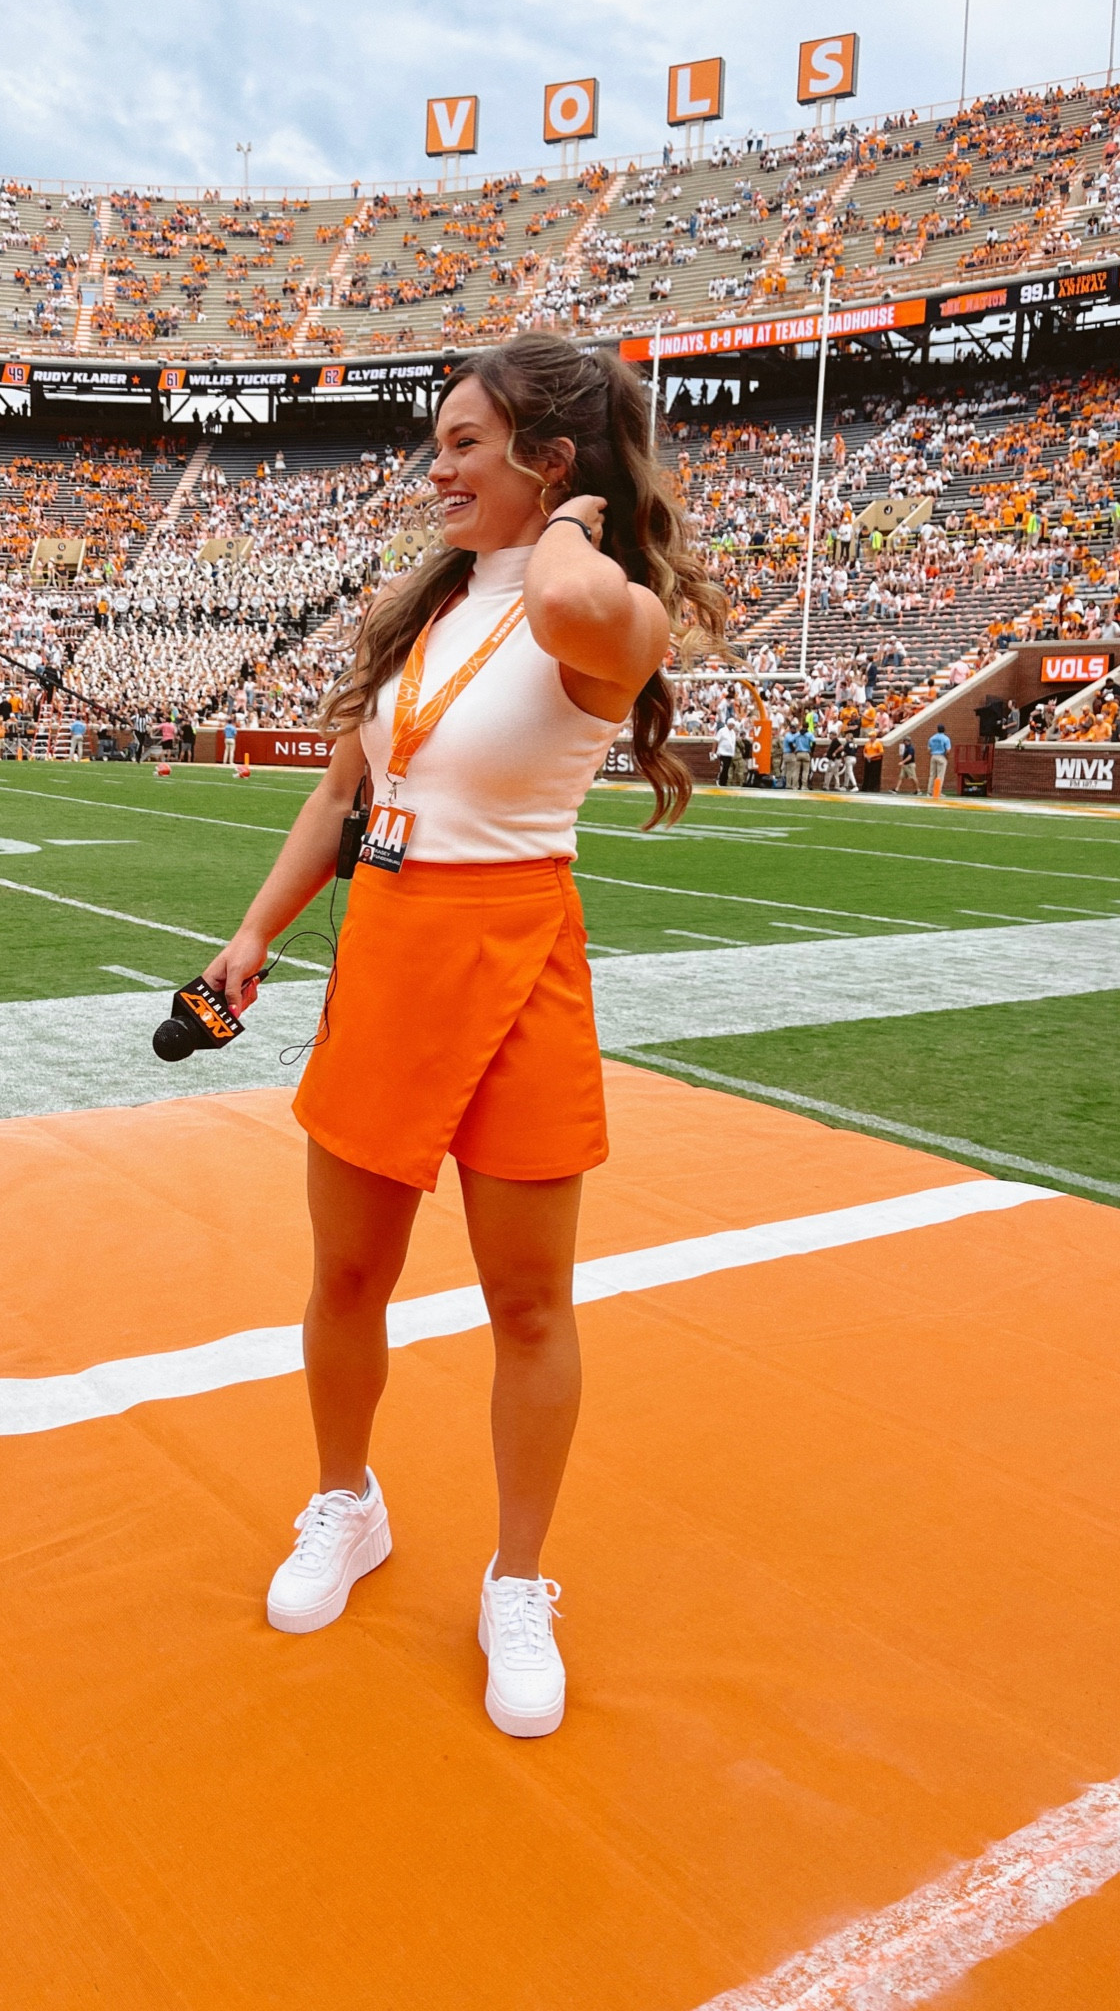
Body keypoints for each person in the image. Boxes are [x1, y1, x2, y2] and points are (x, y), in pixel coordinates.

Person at [203, 334, 722, 1739]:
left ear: (547, 460)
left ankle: (517, 1578)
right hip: (387, 946)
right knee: (348, 1271)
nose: (433, 469)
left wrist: (571, 516)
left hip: (518, 954)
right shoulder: (426, 610)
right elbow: (341, 794)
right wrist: (254, 934)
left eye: (464, 444)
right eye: (436, 443)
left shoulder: (607, 608)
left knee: (530, 1304)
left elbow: (562, 593)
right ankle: (346, 1502)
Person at [927, 722, 951, 796]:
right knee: (940, 775)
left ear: (937, 729)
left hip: (933, 756)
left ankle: (930, 791)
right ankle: (937, 791)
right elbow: (948, 750)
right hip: (941, 756)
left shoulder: (932, 738)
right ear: (944, 730)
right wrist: (947, 757)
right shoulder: (946, 738)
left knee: (932, 775)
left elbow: (928, 749)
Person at [714, 715, 738, 786]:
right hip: (722, 753)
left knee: (727, 768)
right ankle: (720, 781)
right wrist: (713, 751)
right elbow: (716, 741)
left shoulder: (733, 732)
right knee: (723, 767)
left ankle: (724, 782)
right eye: (732, 725)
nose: (732, 726)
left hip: (729, 753)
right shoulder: (722, 731)